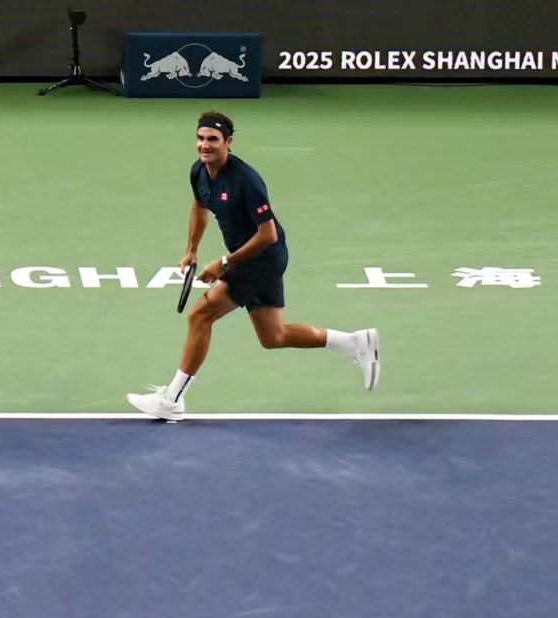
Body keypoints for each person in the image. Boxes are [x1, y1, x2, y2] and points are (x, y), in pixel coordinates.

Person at [127, 110, 380, 423]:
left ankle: (173, 399)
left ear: (228, 142)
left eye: (213, 139)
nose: (205, 145)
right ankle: (355, 342)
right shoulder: (199, 171)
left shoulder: (246, 180)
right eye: (201, 138)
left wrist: (224, 263)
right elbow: (200, 206)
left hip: (262, 258)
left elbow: (267, 234)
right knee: (273, 336)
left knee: (200, 315)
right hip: (253, 258)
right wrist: (191, 250)